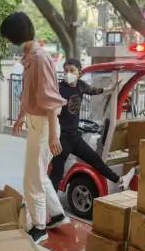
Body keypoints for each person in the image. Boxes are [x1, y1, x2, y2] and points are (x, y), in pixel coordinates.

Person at [0, 12, 68, 243]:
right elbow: (31, 94)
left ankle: (39, 227)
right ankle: (57, 215)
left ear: (14, 35)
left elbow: (50, 100)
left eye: (8, 36)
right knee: (37, 174)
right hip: (37, 123)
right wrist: (21, 116)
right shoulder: (31, 56)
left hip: (44, 126)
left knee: (33, 179)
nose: (8, 41)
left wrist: (53, 136)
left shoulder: (39, 58)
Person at [49, 58, 133, 191]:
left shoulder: (81, 85)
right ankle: (49, 203)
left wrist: (112, 88)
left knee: (95, 160)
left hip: (75, 137)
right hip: (62, 139)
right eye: (65, 71)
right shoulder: (59, 89)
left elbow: (95, 90)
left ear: (79, 73)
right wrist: (53, 136)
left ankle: (120, 180)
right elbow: (51, 112)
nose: (68, 73)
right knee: (56, 173)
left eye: (72, 70)